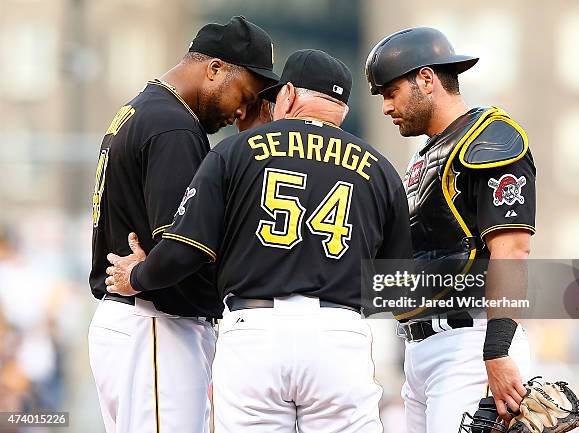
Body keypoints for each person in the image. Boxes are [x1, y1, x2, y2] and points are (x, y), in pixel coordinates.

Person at [104, 49, 412, 433]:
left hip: (255, 330)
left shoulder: (234, 152)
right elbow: (398, 286)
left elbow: (187, 248)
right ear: (342, 110)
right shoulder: (380, 169)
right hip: (339, 334)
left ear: (287, 96)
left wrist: (138, 277)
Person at [88, 16, 278, 433]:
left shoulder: (145, 108)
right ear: (214, 69)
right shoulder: (173, 125)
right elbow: (182, 245)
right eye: (244, 94)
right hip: (156, 323)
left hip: (139, 321)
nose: (241, 111)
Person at [365, 27, 536, 433]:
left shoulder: (491, 139)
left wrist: (497, 351)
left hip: (471, 344)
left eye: (391, 92)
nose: (386, 107)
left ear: (426, 79)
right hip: (422, 348)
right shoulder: (427, 154)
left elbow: (512, 250)